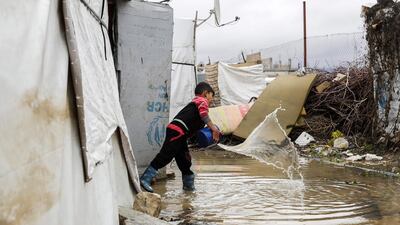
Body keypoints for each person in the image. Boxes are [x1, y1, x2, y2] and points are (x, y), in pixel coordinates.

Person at [140, 82, 221, 192]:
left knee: (185, 161)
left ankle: (189, 189)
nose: (211, 100)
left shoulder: (196, 103)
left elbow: (196, 123)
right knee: (166, 155)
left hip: (181, 134)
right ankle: (146, 178)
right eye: (211, 96)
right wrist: (214, 129)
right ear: (205, 93)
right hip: (177, 131)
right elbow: (204, 115)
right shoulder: (202, 101)